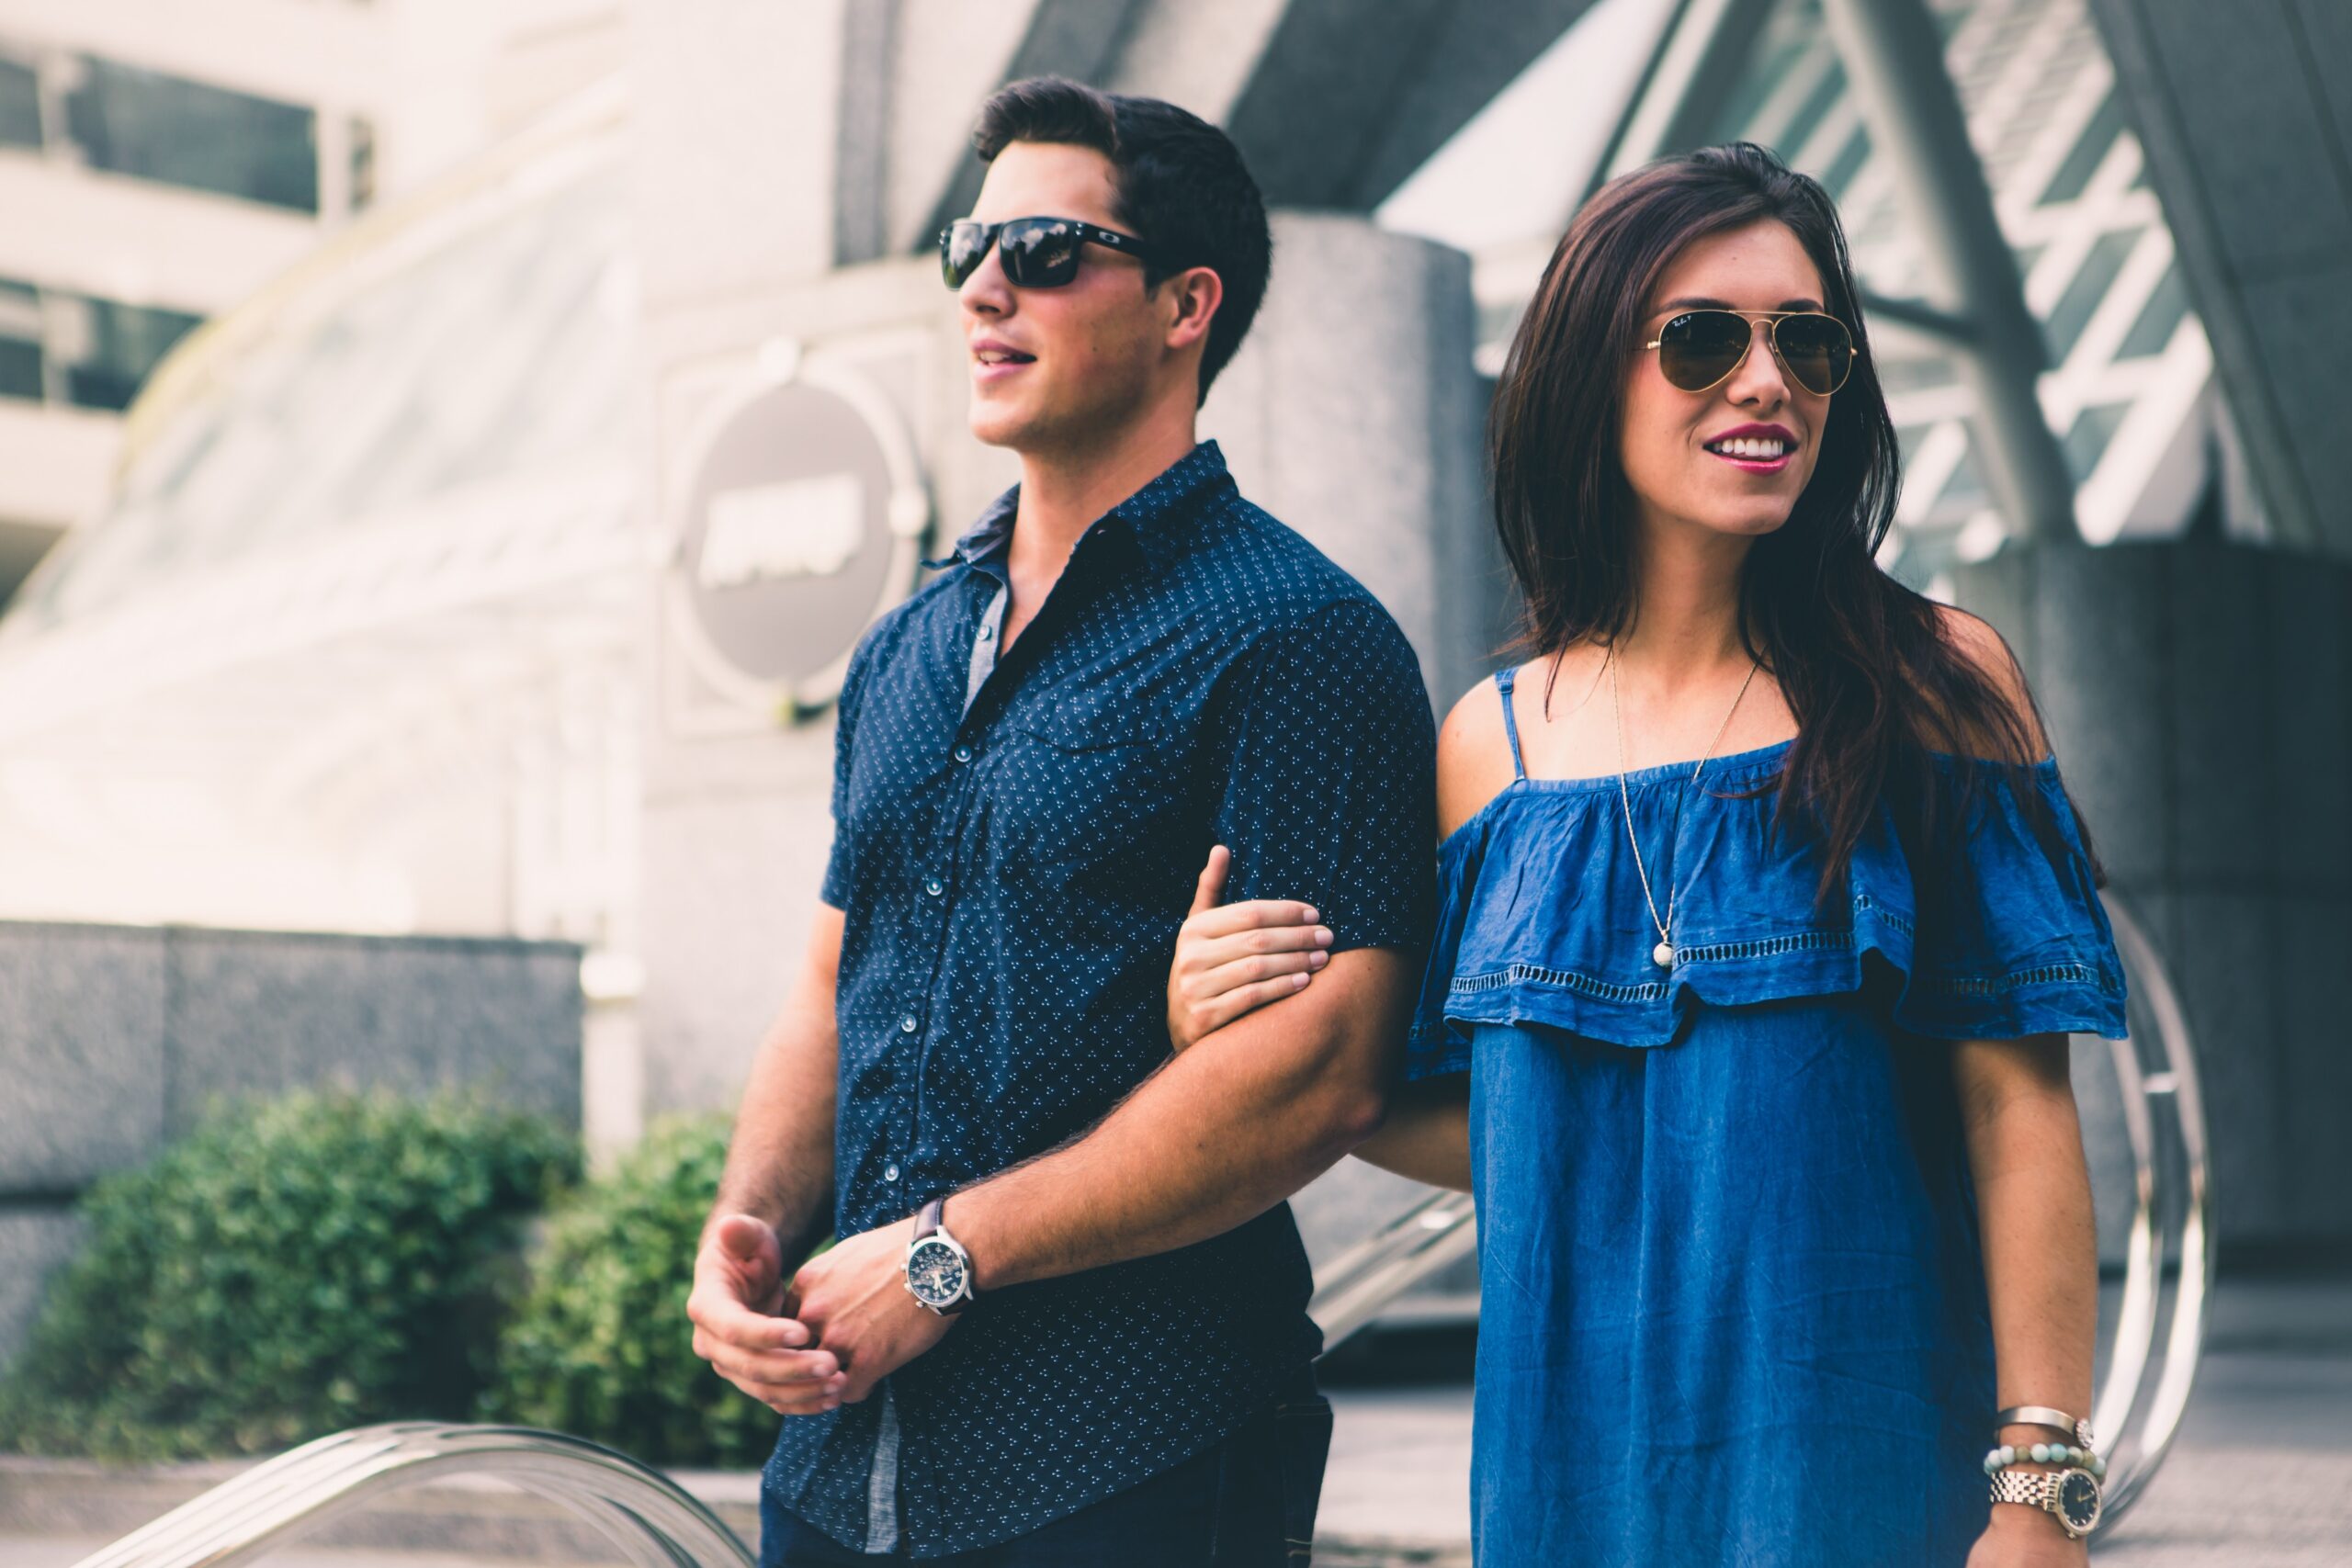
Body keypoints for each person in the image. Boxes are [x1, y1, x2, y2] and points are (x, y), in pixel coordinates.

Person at [1165, 142, 2127, 1567]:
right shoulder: (1489, 743)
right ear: (1589, 370)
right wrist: (1243, 1037)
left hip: (1864, 1493)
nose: (1768, 381)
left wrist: (2039, 1492)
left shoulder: (1935, 680)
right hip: (1568, 1496)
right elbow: (1508, 1131)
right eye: (1701, 340)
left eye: (1809, 342)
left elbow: (2020, 1119)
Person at [686, 76, 1437, 1565]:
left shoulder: (1299, 639)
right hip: (839, 1474)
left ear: (1184, 304)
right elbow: (836, 982)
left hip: (1135, 1462)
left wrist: (949, 1258)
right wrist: (753, 1230)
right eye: (972, 246)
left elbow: (1329, 1068)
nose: (983, 286)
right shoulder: (904, 650)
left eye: (1041, 249)